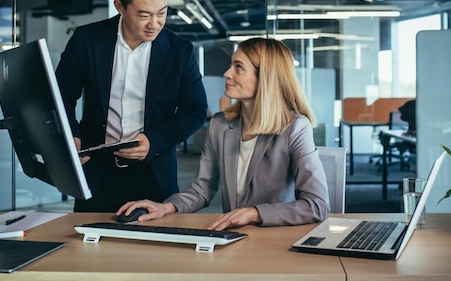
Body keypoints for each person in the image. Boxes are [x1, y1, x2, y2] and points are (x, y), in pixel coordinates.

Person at [117, 37, 330, 230]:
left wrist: (254, 213)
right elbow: (202, 190)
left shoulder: (294, 128)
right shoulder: (220, 125)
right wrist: (165, 207)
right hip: (232, 237)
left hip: (276, 236)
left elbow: (317, 205)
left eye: (239, 68)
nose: (226, 73)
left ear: (265, 77)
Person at [55, 0, 208, 212]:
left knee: (154, 248)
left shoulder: (180, 51)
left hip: (154, 173)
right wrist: (71, 135)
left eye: (162, 13)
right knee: (88, 247)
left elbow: (196, 111)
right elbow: (61, 95)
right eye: (144, 14)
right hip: (97, 174)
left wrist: (154, 141)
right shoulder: (87, 40)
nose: (155, 24)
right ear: (120, 7)